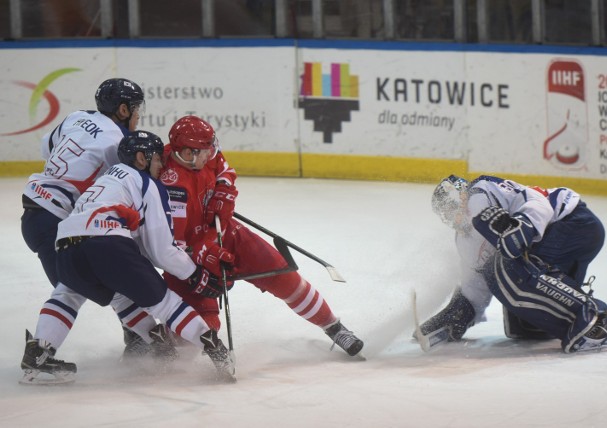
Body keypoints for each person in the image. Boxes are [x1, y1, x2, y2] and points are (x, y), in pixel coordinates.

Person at [20, 131, 235, 384]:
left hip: (65, 246)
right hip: (106, 243)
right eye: (157, 160)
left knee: (74, 293)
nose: (161, 167)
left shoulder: (104, 179)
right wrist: (195, 274)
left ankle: (37, 355)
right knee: (165, 303)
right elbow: (162, 251)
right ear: (142, 159)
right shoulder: (148, 184)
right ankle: (217, 352)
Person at [158, 115, 364, 357]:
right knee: (205, 326)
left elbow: (224, 169)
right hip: (192, 260)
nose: (210, 153)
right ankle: (163, 343)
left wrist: (224, 190)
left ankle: (334, 327)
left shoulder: (201, 152)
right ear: (187, 153)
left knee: (285, 278)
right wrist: (203, 256)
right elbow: (171, 248)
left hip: (228, 234)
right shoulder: (171, 185)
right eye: (204, 151)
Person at [19, 77, 156, 358]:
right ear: (122, 110)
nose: (138, 114)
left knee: (104, 274)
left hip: (36, 212)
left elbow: (47, 147)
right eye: (135, 108)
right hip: (57, 217)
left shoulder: (77, 117)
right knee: (74, 286)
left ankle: (145, 337)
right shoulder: (119, 142)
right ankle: (40, 356)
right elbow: (122, 185)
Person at [417, 174, 607, 353]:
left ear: (463, 193)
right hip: (551, 249)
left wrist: (523, 224)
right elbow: (476, 288)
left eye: (452, 204)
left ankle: (596, 320)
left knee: (505, 269)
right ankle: (575, 317)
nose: (451, 214)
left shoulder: (482, 190)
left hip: (574, 224)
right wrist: (457, 315)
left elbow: (538, 201)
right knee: (524, 325)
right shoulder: (465, 242)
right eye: (445, 212)